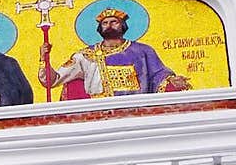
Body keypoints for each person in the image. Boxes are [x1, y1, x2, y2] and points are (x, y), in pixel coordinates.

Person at [39, 6, 191, 99]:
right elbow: (53, 80)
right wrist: (43, 60)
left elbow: (159, 75)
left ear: (122, 25)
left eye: (114, 22)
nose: (109, 25)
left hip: (137, 111)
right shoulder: (85, 56)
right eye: (105, 23)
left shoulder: (143, 51)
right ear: (100, 28)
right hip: (98, 114)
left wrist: (171, 81)